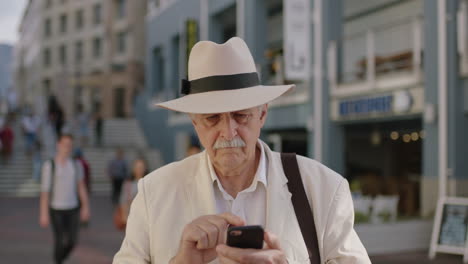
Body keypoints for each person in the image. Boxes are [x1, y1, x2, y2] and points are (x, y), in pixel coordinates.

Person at [114, 37, 370, 263]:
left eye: (241, 115)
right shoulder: (153, 194)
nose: (228, 132)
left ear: (262, 114)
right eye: (212, 118)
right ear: (195, 122)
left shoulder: (325, 188)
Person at [39, 134, 90, 264]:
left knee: (73, 240)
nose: (67, 148)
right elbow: (45, 192)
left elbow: (81, 187)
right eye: (64, 144)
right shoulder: (49, 165)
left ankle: (60, 259)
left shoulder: (76, 165)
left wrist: (85, 207)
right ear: (58, 145)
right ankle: (58, 261)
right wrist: (43, 213)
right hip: (56, 209)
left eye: (69, 145)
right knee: (60, 239)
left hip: (72, 208)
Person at [118, 158, 148, 228]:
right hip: (132, 219)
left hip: (146, 220)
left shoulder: (148, 183)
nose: (139, 170)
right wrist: (124, 216)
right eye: (137, 167)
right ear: (133, 169)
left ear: (145, 168)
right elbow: (123, 201)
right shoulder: (128, 184)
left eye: (141, 167)